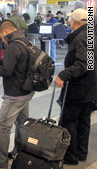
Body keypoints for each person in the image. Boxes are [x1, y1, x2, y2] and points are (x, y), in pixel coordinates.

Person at [0, 20, 34, 169]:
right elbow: (19, 64)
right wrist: (2, 61)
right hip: (27, 91)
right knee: (22, 124)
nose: (1, 39)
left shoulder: (13, 46)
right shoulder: (25, 41)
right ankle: (18, 152)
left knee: (2, 126)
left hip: (15, 94)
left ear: (6, 32)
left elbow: (6, 72)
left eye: (1, 36)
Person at [54, 8, 97, 165]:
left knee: (70, 121)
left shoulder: (82, 37)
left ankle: (71, 156)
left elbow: (83, 64)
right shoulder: (90, 35)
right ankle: (80, 154)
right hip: (89, 87)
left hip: (79, 87)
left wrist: (63, 75)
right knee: (83, 122)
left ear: (74, 22)